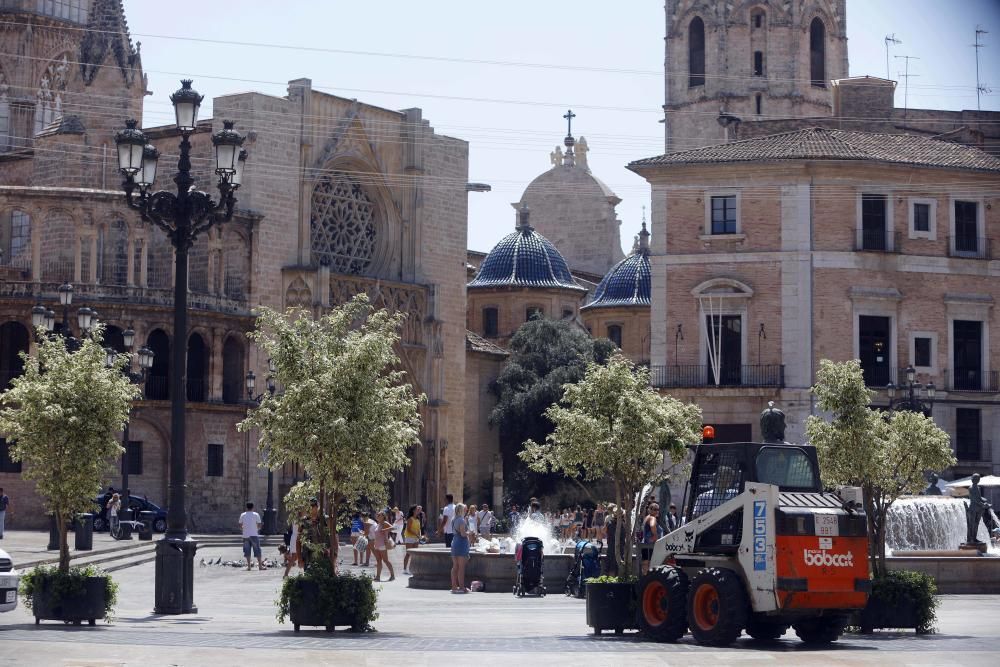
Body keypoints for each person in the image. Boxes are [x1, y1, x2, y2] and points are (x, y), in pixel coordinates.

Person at [450, 502, 470, 593]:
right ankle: (462, 587)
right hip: (461, 543)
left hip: (454, 542)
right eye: (465, 509)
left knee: (455, 567)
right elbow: (463, 534)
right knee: (461, 567)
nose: (466, 511)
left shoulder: (454, 519)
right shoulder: (461, 520)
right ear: (461, 510)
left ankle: (454, 586)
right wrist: (470, 533)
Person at [641, 503, 666, 574]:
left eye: (658, 509)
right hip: (651, 546)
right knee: (651, 565)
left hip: (646, 544)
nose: (657, 511)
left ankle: (645, 580)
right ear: (649, 510)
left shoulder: (647, 517)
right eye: (655, 509)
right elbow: (652, 525)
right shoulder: (652, 518)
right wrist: (655, 535)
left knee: (646, 564)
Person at [239, 502, 264, 571]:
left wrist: (244, 529)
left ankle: (249, 566)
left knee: (247, 551)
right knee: (257, 550)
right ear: (253, 507)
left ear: (246, 507)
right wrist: (256, 529)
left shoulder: (243, 515)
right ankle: (260, 566)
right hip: (254, 534)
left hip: (245, 535)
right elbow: (259, 525)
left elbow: (240, 526)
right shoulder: (256, 514)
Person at [371, 510, 395, 582]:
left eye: (379, 515)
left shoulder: (384, 523)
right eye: (377, 515)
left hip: (383, 544)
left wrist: (385, 529)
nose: (377, 516)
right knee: (378, 561)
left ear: (383, 516)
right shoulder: (378, 524)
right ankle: (378, 577)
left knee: (385, 560)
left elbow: (393, 528)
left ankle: (392, 575)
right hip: (377, 544)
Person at [403, 505, 422, 574]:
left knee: (415, 555)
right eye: (417, 509)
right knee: (408, 554)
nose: (418, 510)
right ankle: (404, 569)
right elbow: (409, 529)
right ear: (413, 510)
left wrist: (420, 535)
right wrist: (417, 535)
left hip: (416, 538)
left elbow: (419, 529)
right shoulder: (410, 519)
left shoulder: (417, 519)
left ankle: (412, 569)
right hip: (409, 538)